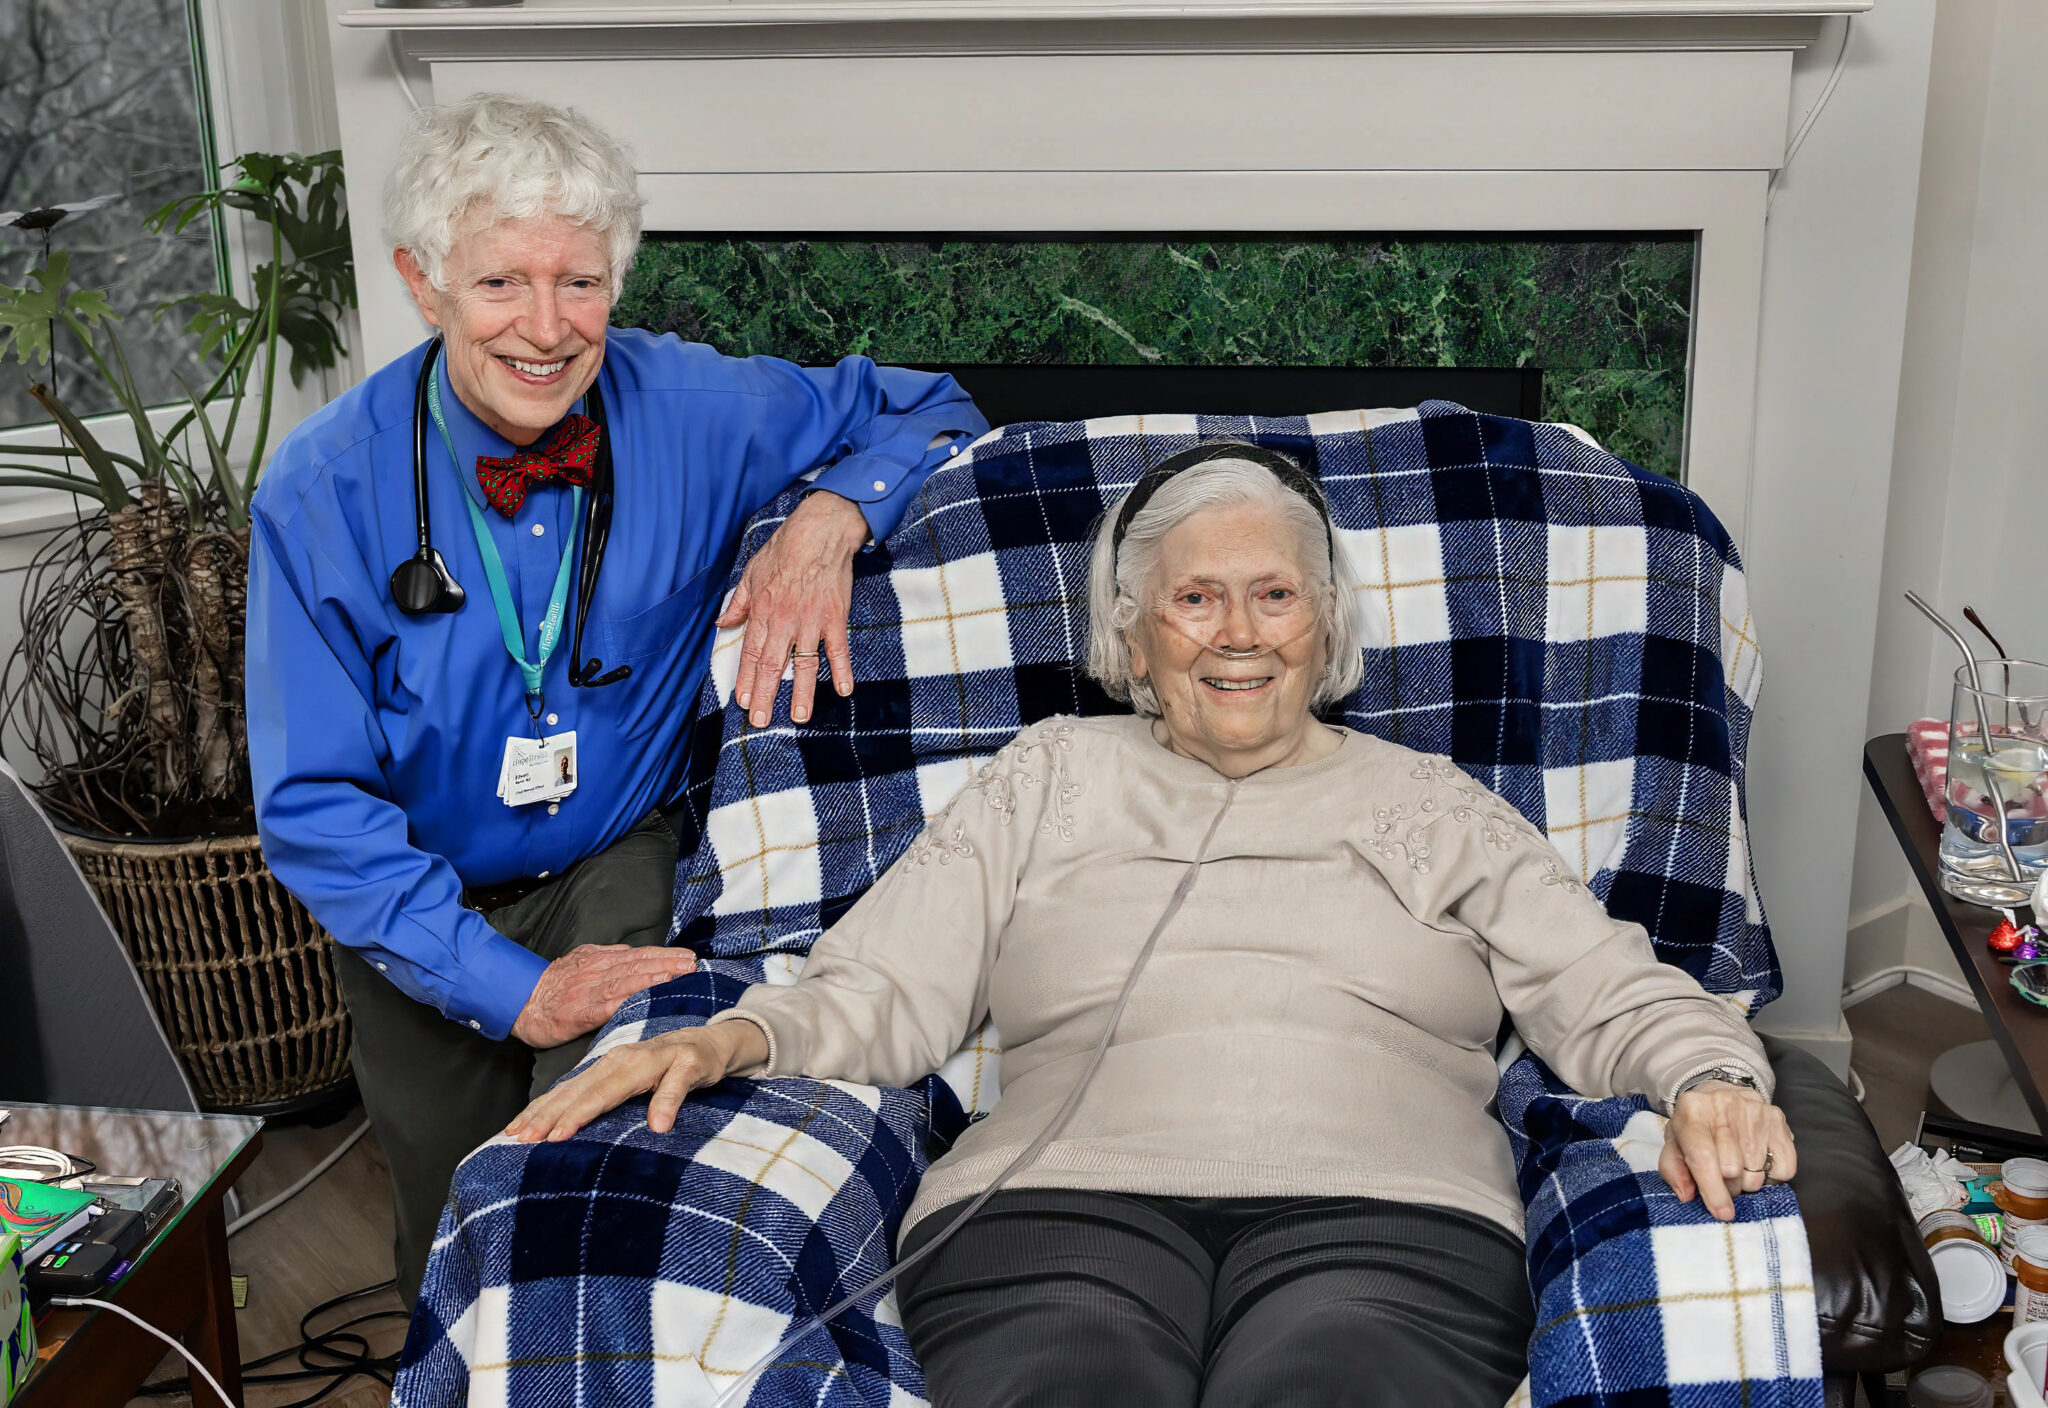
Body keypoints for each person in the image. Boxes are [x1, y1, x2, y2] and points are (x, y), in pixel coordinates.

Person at [507, 446, 1793, 1407]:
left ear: (1326, 624)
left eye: (1274, 596)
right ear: (1128, 632)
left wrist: (1710, 1075)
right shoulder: (1049, 773)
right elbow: (875, 987)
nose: (1238, 634)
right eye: (1194, 600)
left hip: (1391, 1221)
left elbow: (1609, 987)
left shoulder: (1429, 802)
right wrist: (726, 1040)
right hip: (1054, 1215)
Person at [246, 94, 985, 1303]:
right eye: (500, 285)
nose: (546, 329)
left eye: (579, 283)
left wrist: (827, 519)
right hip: (410, 903)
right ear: (421, 284)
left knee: (579, 1200)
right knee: (446, 1247)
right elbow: (318, 807)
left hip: (615, 854)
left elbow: (924, 400)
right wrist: (507, 985)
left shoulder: (694, 407)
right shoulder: (321, 487)